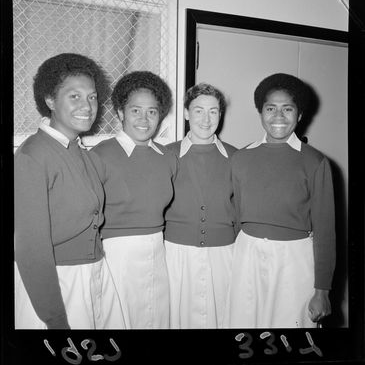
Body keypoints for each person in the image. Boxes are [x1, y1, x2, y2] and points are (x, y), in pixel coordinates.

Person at [14, 53, 126, 329]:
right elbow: (30, 247)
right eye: (74, 96)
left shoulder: (83, 153)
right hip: (58, 284)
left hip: (94, 273)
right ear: (50, 101)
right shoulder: (33, 155)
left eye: (92, 97)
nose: (87, 106)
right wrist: (54, 316)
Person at [224, 73, 336, 328]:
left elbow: (326, 231)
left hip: (294, 262)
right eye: (270, 108)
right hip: (247, 257)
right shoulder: (241, 158)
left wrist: (322, 291)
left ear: (300, 115)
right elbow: (237, 217)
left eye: (287, 109)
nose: (278, 116)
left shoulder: (315, 162)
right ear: (260, 112)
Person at [90, 71, 177, 329]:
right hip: (116, 256)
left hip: (157, 252)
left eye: (152, 111)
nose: (144, 118)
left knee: (155, 319)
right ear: (120, 112)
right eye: (135, 110)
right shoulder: (100, 155)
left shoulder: (167, 157)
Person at [164, 83, 238, 329]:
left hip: (224, 256)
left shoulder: (236, 157)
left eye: (214, 111)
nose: (206, 119)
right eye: (198, 110)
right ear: (186, 113)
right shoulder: (165, 155)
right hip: (176, 256)